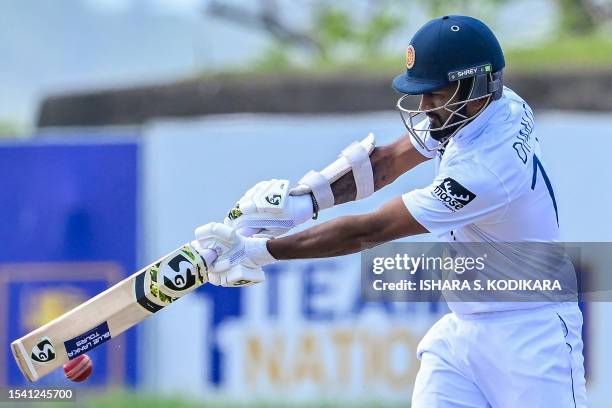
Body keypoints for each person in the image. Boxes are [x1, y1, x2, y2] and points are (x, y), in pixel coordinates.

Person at [195, 15, 587, 407]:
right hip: (463, 332)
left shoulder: (484, 172)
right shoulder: (494, 106)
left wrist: (259, 253)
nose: (425, 107)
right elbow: (387, 161)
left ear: (477, 86)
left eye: (436, 95)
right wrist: (302, 203)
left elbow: (370, 230)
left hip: (532, 337)